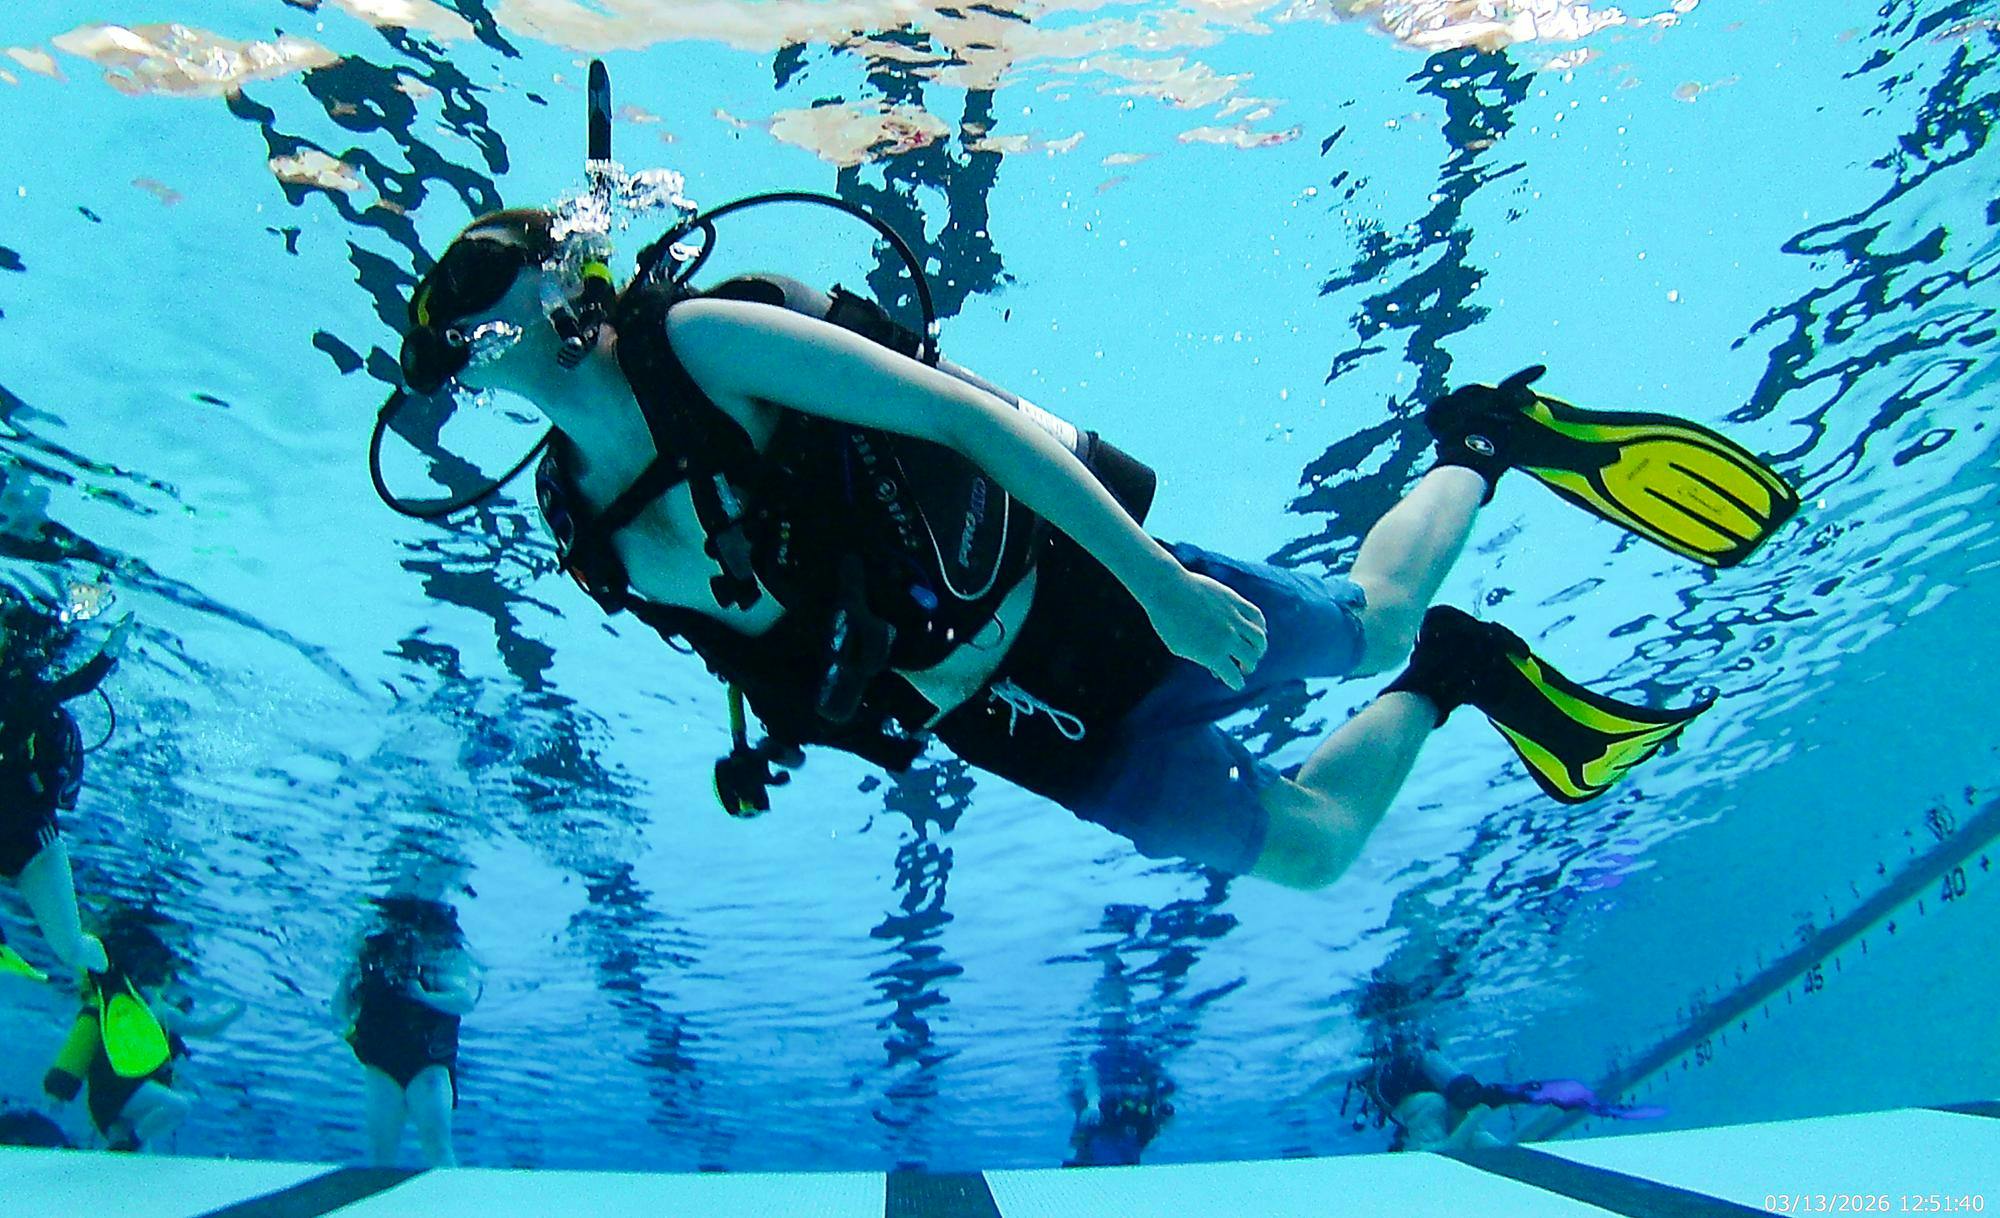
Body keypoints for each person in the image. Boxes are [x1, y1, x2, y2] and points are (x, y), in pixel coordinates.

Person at [385, 207, 1795, 888]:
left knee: (1359, 623)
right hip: (1008, 723)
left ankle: (1482, 436)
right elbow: (758, 620)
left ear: (567, 273)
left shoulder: (705, 342)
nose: (509, 280)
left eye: (518, 255)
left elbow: (974, 427)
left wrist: (1161, 585)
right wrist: (771, 735)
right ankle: (1464, 673)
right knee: (1308, 855)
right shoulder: (575, 515)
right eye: (467, 283)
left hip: (1089, 591)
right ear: (456, 358)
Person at [1, 597, 133, 975]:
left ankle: (109, 980)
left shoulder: (21, 694)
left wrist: (111, 650)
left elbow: (78, 684)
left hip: (34, 848)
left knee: (72, 949)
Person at [41, 920, 243, 1152]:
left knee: (130, 1154)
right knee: (176, 1109)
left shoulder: (110, 1008)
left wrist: (59, 1091)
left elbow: (78, 1049)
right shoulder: (148, 1011)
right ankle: (132, 1142)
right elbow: (205, 1028)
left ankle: (128, 1146)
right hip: (124, 1093)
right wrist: (238, 1009)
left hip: (105, 1101)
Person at [333, 895, 480, 1168]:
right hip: (382, 1066)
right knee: (381, 1155)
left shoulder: (442, 954)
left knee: (437, 1148)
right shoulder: (370, 959)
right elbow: (340, 1013)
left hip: (428, 1066)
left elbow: (465, 1001)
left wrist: (423, 996)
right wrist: (348, 975)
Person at [1366, 1040, 1664, 1152]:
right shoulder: (1430, 1109)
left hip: (1412, 1092)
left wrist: (1482, 1107)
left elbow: (1464, 1146)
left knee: (1470, 1119)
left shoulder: (1436, 1118)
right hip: (1424, 1098)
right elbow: (1452, 1151)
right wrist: (1482, 1107)